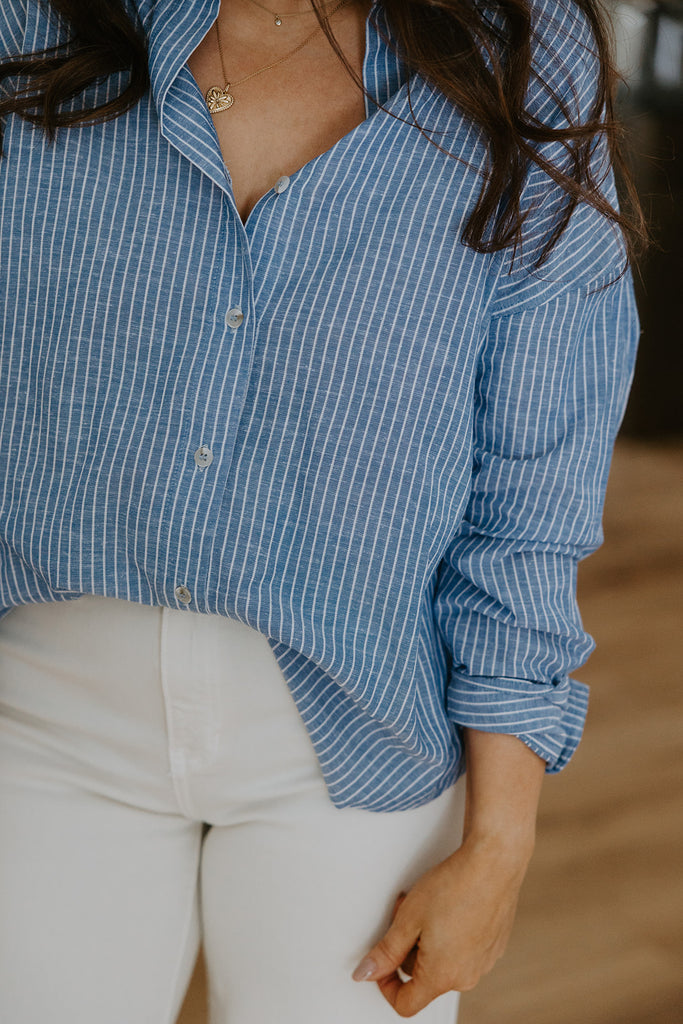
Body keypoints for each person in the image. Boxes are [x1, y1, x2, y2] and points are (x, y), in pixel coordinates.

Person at [0, 0, 642, 1021]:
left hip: (354, 740)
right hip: (37, 721)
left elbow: (531, 486)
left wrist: (497, 842)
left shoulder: (523, 53)